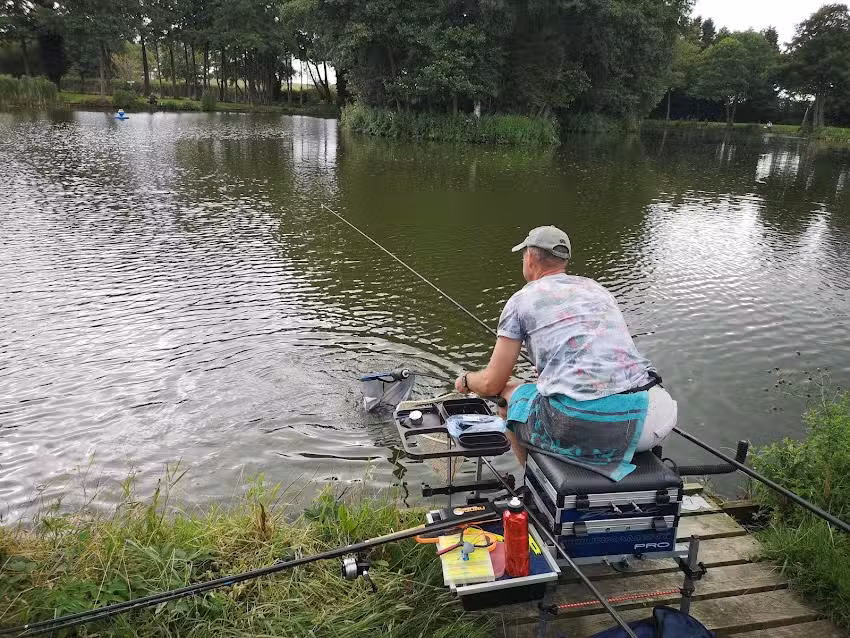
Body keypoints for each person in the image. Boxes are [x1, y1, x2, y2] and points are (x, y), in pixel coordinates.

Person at [454, 226, 677, 479]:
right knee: (539, 390)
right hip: (657, 413)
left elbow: (490, 382)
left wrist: (465, 380)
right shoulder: (596, 289)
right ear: (564, 261)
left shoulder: (521, 300)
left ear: (529, 258)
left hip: (610, 428)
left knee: (508, 396)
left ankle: (535, 487)